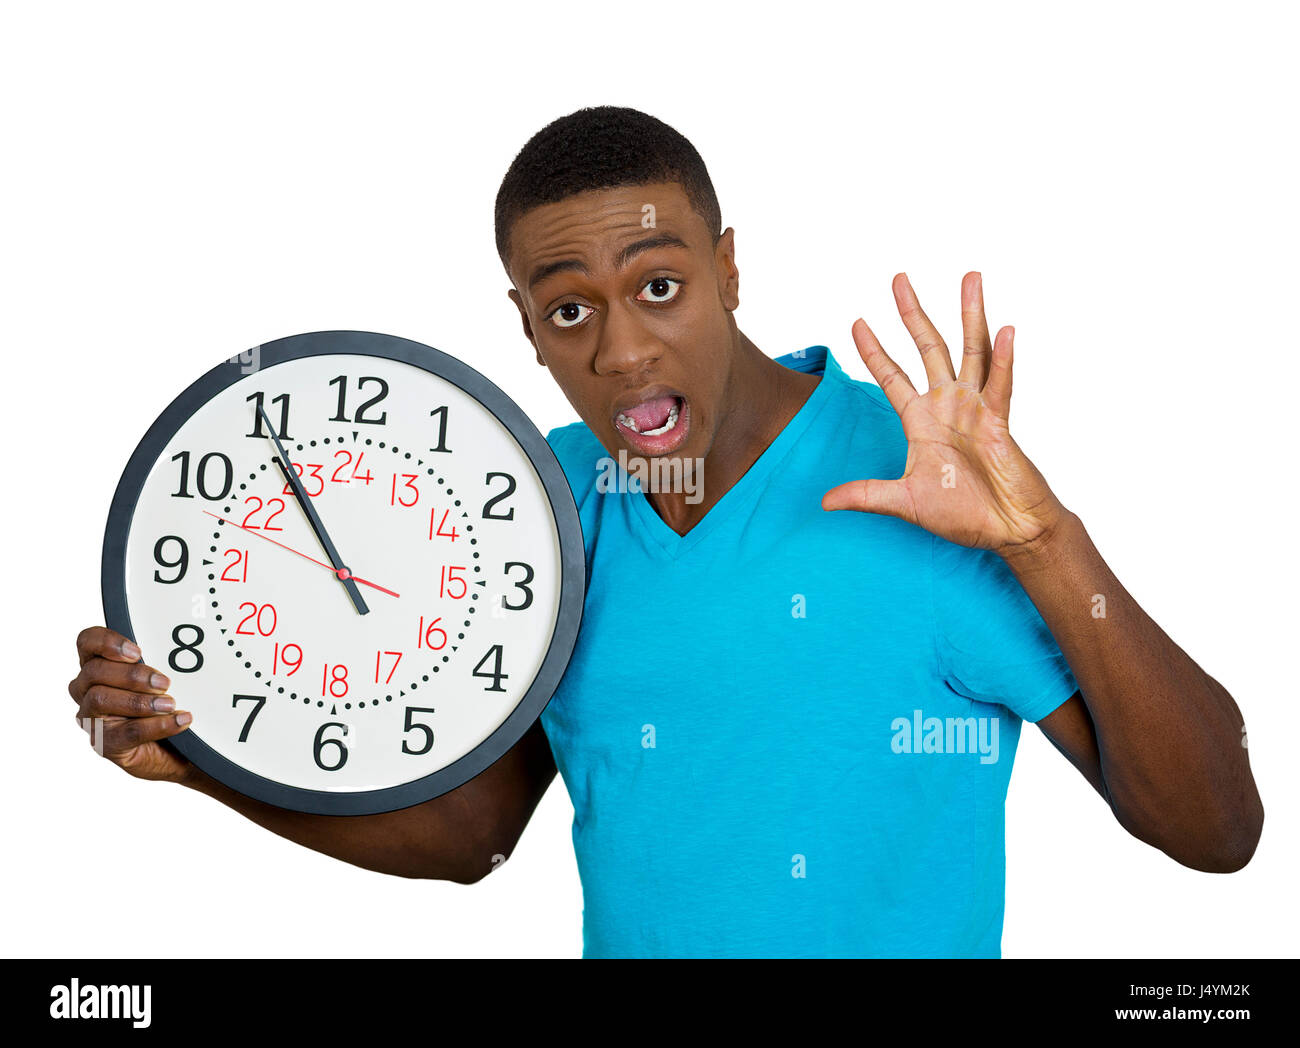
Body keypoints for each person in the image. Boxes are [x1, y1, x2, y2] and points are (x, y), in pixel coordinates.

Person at [68, 106, 1263, 958]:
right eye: (570, 308)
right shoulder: (540, 502)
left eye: (658, 284)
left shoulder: (918, 477)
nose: (622, 349)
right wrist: (204, 761)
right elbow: (475, 834)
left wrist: (1042, 537)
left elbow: (1213, 830)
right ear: (527, 327)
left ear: (730, 267)